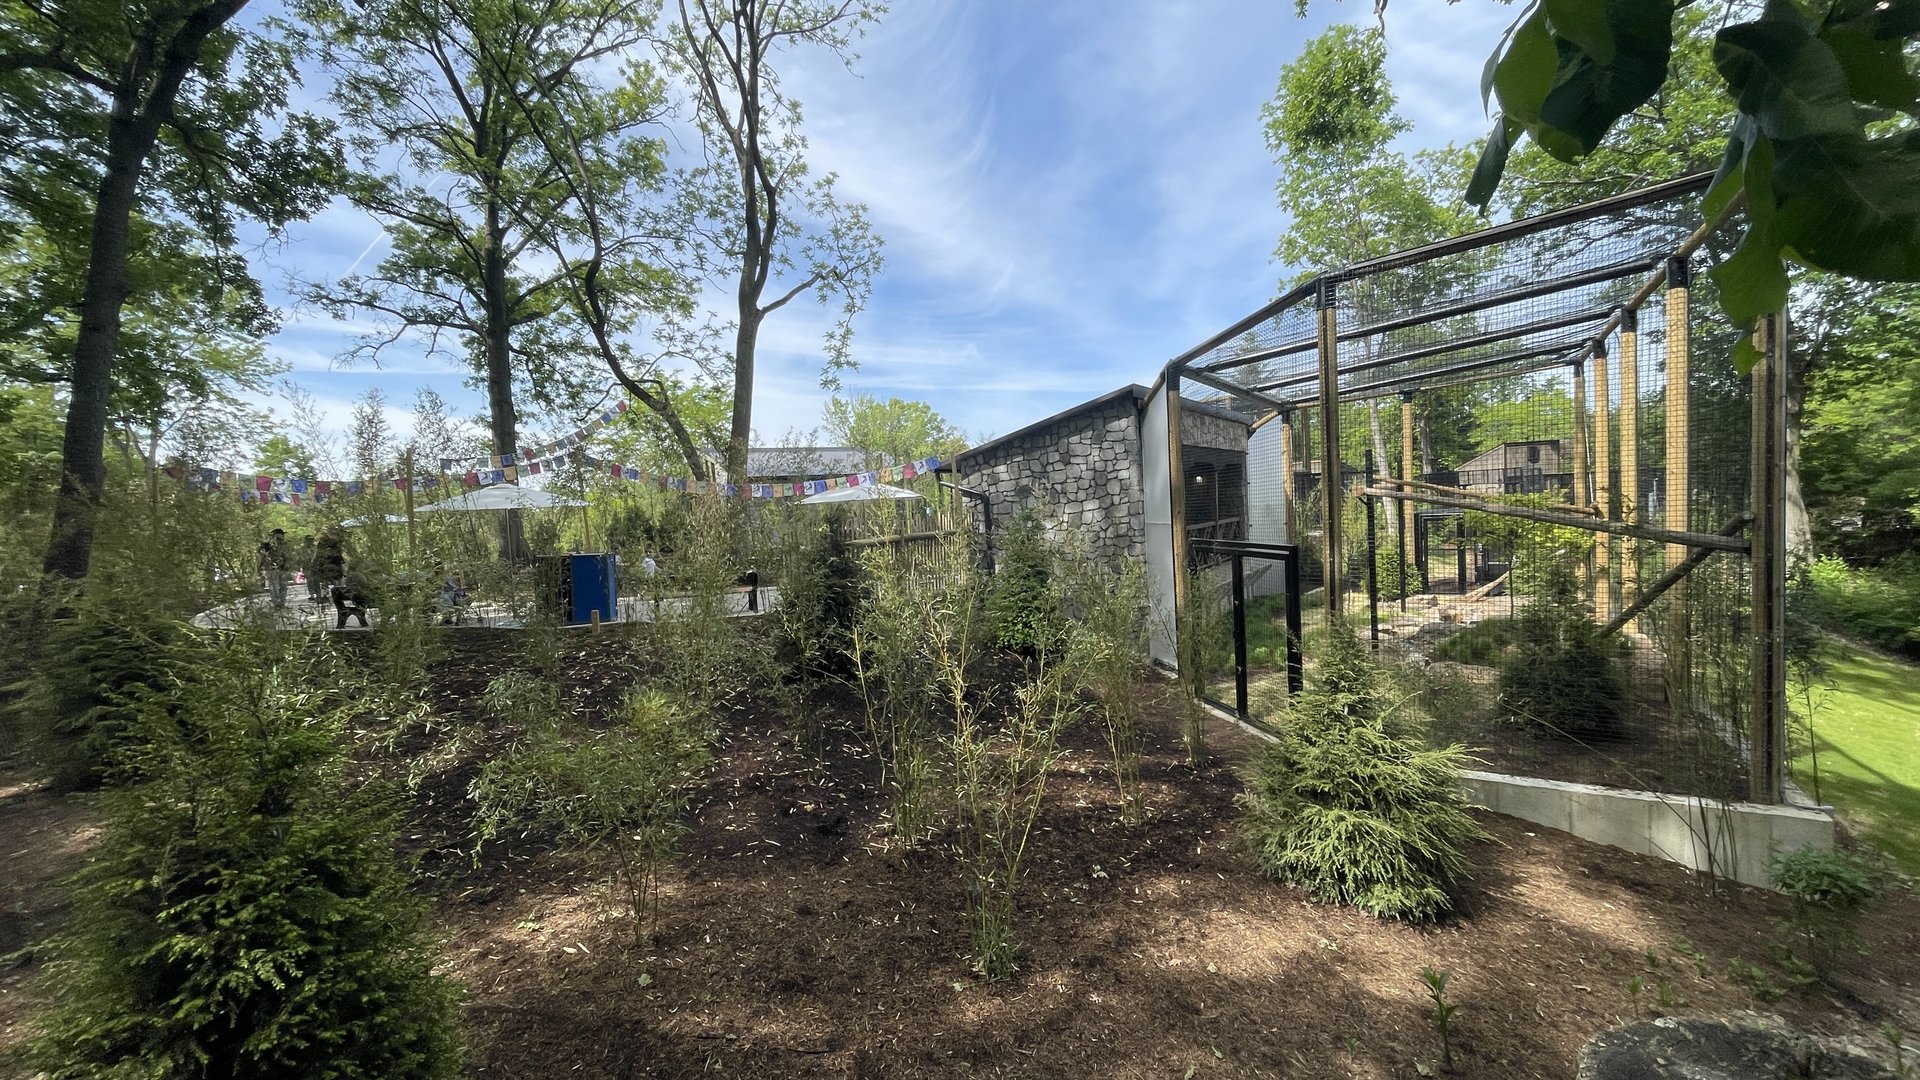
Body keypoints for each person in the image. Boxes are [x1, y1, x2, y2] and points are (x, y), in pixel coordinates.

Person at [259, 529, 292, 607]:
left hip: (278, 568)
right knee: (276, 586)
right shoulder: (269, 544)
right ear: (277, 535)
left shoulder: (282, 544)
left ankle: (279, 602)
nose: (283, 536)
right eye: (281, 534)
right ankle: (278, 602)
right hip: (274, 568)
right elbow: (262, 556)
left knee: (278, 585)